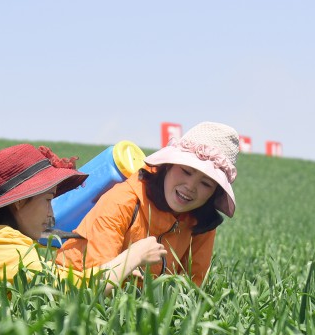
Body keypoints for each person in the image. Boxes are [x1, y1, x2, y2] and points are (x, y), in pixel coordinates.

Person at [0, 144, 167, 304]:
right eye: (49, 200)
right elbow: (72, 291)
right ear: (21, 202)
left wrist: (119, 270)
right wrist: (133, 257)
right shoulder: (0, 244)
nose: (52, 212)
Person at [55, 121, 240, 286]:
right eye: (186, 171)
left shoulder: (201, 222)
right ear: (168, 165)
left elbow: (191, 289)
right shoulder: (123, 200)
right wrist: (133, 258)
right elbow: (95, 288)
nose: (190, 187)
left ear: (214, 192)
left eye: (206, 183)